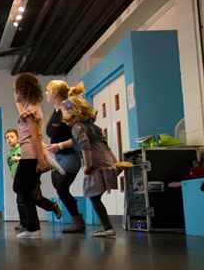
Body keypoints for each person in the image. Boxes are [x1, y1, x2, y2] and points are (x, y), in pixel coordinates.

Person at [61, 96, 132, 238]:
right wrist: (114, 162)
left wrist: (87, 165)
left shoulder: (77, 127)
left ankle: (108, 228)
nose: (61, 113)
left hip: (95, 165)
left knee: (93, 197)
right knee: (96, 196)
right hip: (106, 162)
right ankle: (107, 227)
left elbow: (85, 146)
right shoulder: (93, 126)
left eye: (63, 111)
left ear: (72, 112)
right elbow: (104, 145)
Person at [45, 80, 86, 233]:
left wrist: (59, 145)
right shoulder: (56, 110)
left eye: (48, 90)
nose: (46, 93)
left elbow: (79, 135)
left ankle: (78, 221)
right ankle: (77, 219)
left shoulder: (68, 106)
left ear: (55, 93)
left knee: (62, 188)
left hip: (70, 155)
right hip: (59, 157)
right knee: (60, 188)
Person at [13, 73, 50, 239]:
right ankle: (32, 228)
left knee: (20, 187)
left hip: (31, 155)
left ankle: (33, 228)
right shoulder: (30, 108)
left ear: (23, 90)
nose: (15, 93)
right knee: (25, 190)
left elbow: (35, 136)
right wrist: (17, 102)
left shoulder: (32, 111)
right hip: (30, 154)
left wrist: (41, 160)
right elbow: (21, 109)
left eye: (16, 90)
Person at [5, 128, 61, 232]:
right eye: (7, 137)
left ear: (17, 138)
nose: (9, 139)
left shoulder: (23, 148)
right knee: (21, 200)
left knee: (36, 199)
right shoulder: (9, 153)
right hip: (20, 180)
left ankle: (53, 206)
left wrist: (19, 159)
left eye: (12, 137)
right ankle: (24, 223)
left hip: (31, 177)